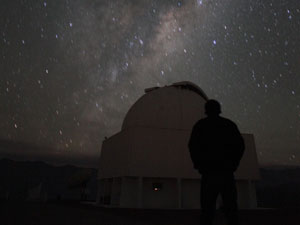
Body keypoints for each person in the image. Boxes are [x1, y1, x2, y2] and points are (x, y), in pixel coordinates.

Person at [188, 99, 245, 225]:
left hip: (208, 174)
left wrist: (199, 165)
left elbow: (193, 146)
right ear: (219, 109)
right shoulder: (229, 125)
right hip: (226, 173)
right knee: (231, 208)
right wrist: (233, 164)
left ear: (206, 110)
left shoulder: (200, 126)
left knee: (207, 209)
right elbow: (240, 146)